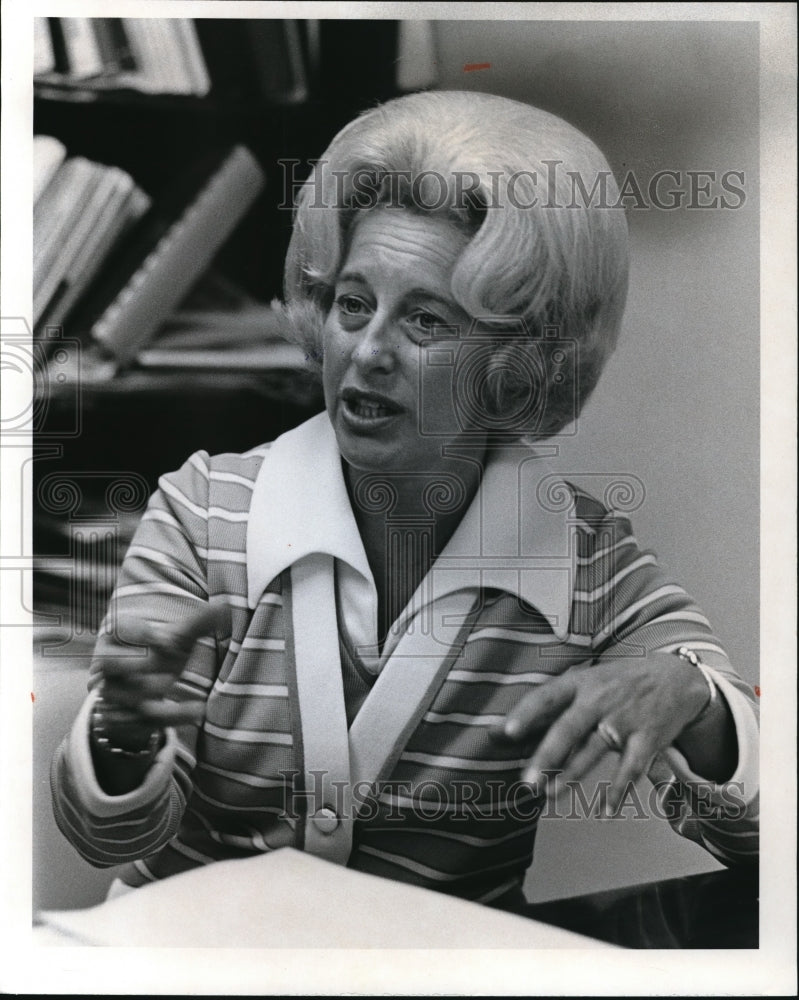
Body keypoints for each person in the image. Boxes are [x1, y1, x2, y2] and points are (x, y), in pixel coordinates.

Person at [52, 91, 759, 909]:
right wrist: (123, 735)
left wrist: (694, 702)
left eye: (424, 320)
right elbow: (108, 837)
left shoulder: (589, 568)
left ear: (519, 358)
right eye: (352, 304)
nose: (368, 351)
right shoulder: (203, 513)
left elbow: (760, 840)